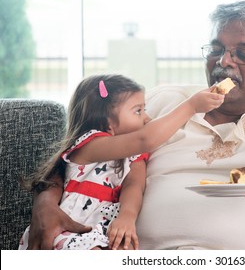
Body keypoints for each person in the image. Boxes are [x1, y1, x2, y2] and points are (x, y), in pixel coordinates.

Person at [27, 1, 245, 250]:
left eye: (243, 54)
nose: (224, 62)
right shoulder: (163, 103)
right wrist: (45, 201)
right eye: (216, 49)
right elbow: (83, 148)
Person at [18, 74, 224, 250]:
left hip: (102, 234)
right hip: (68, 231)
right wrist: (191, 106)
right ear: (109, 123)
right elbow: (146, 138)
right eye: (138, 111)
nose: (147, 118)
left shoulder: (135, 157)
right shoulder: (91, 146)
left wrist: (127, 216)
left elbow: (134, 186)